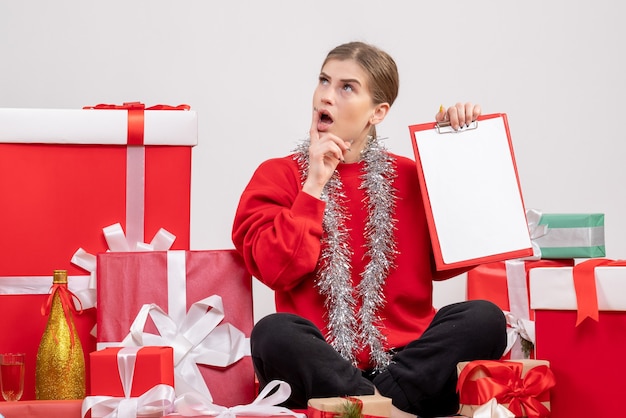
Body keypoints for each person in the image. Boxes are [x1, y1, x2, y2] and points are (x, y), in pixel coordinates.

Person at [232, 41, 506, 418]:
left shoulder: (411, 175)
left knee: (485, 318)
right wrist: (312, 186)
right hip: (321, 362)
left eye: (347, 87)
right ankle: (396, 409)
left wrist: (456, 151)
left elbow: (463, 249)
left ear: (378, 112)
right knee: (273, 333)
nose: (326, 96)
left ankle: (372, 407)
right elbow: (275, 269)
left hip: (406, 361)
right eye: (324, 81)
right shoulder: (277, 175)